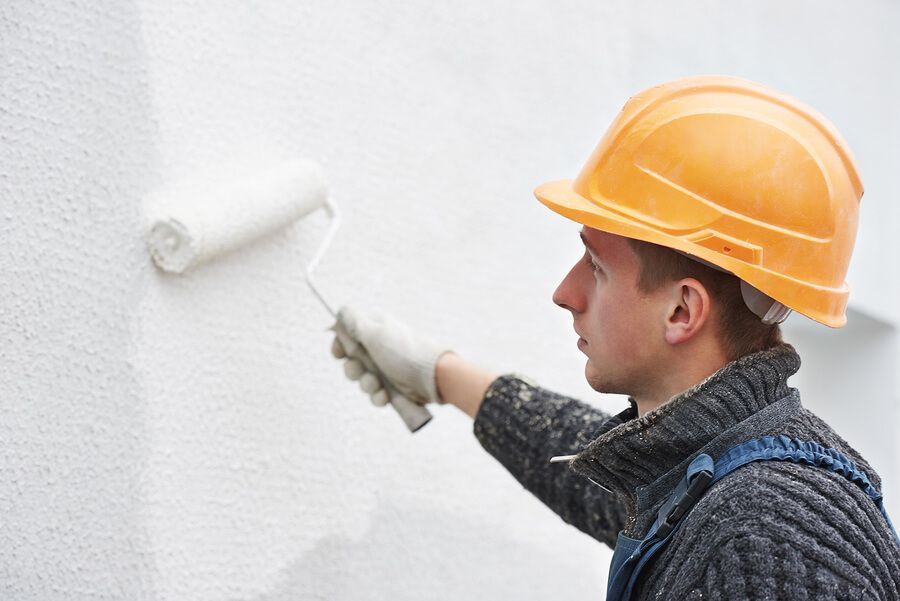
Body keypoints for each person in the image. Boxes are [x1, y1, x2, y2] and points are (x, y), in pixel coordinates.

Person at [329, 76, 900, 599]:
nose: (564, 292)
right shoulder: (717, 475)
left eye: (596, 266)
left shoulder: (768, 535)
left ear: (682, 310)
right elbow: (611, 476)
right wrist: (437, 372)